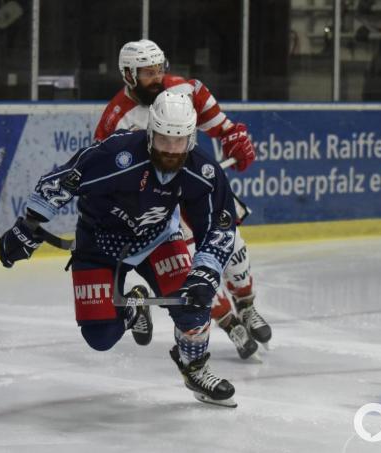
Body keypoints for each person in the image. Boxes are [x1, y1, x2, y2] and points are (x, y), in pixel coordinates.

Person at [0, 91, 239, 407]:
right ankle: (133, 309)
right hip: (99, 245)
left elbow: (220, 229)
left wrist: (204, 274)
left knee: (194, 303)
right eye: (164, 139)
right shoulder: (117, 154)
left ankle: (194, 367)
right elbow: (65, 180)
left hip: (159, 241)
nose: (170, 150)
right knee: (100, 338)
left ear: (191, 138)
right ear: (151, 132)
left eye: (179, 141)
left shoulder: (203, 172)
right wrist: (27, 226)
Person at [94, 39, 272, 360]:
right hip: (163, 207)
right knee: (193, 270)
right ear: (129, 75)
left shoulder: (183, 90)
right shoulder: (116, 121)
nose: (157, 77)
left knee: (233, 248)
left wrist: (233, 136)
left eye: (159, 68)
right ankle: (229, 322)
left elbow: (214, 117)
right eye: (148, 72)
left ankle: (246, 308)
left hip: (196, 189)